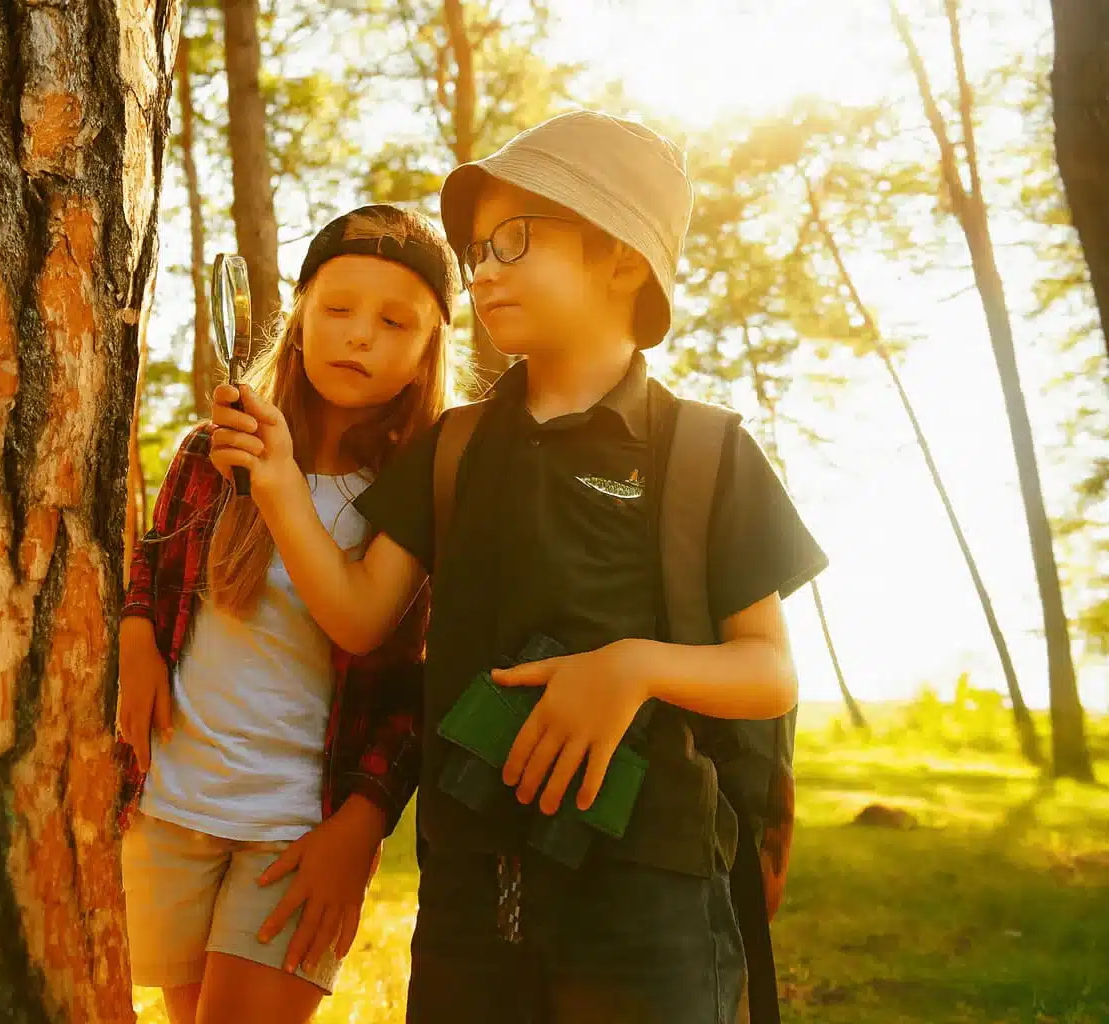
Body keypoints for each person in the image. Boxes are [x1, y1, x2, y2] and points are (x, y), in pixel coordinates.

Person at [208, 111, 828, 1023]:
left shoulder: (707, 453)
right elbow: (357, 614)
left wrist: (633, 667)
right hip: (466, 894)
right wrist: (276, 486)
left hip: (649, 895)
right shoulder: (453, 446)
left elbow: (769, 672)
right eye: (476, 251)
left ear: (621, 255)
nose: (484, 269)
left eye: (513, 241)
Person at [115, 204, 461, 1024]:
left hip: (298, 830)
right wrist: (134, 636)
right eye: (338, 309)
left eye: (392, 321)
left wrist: (362, 822)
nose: (359, 335)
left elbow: (402, 667)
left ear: (425, 356)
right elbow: (155, 561)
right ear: (300, 318)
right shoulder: (215, 449)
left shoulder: (418, 497)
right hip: (171, 805)